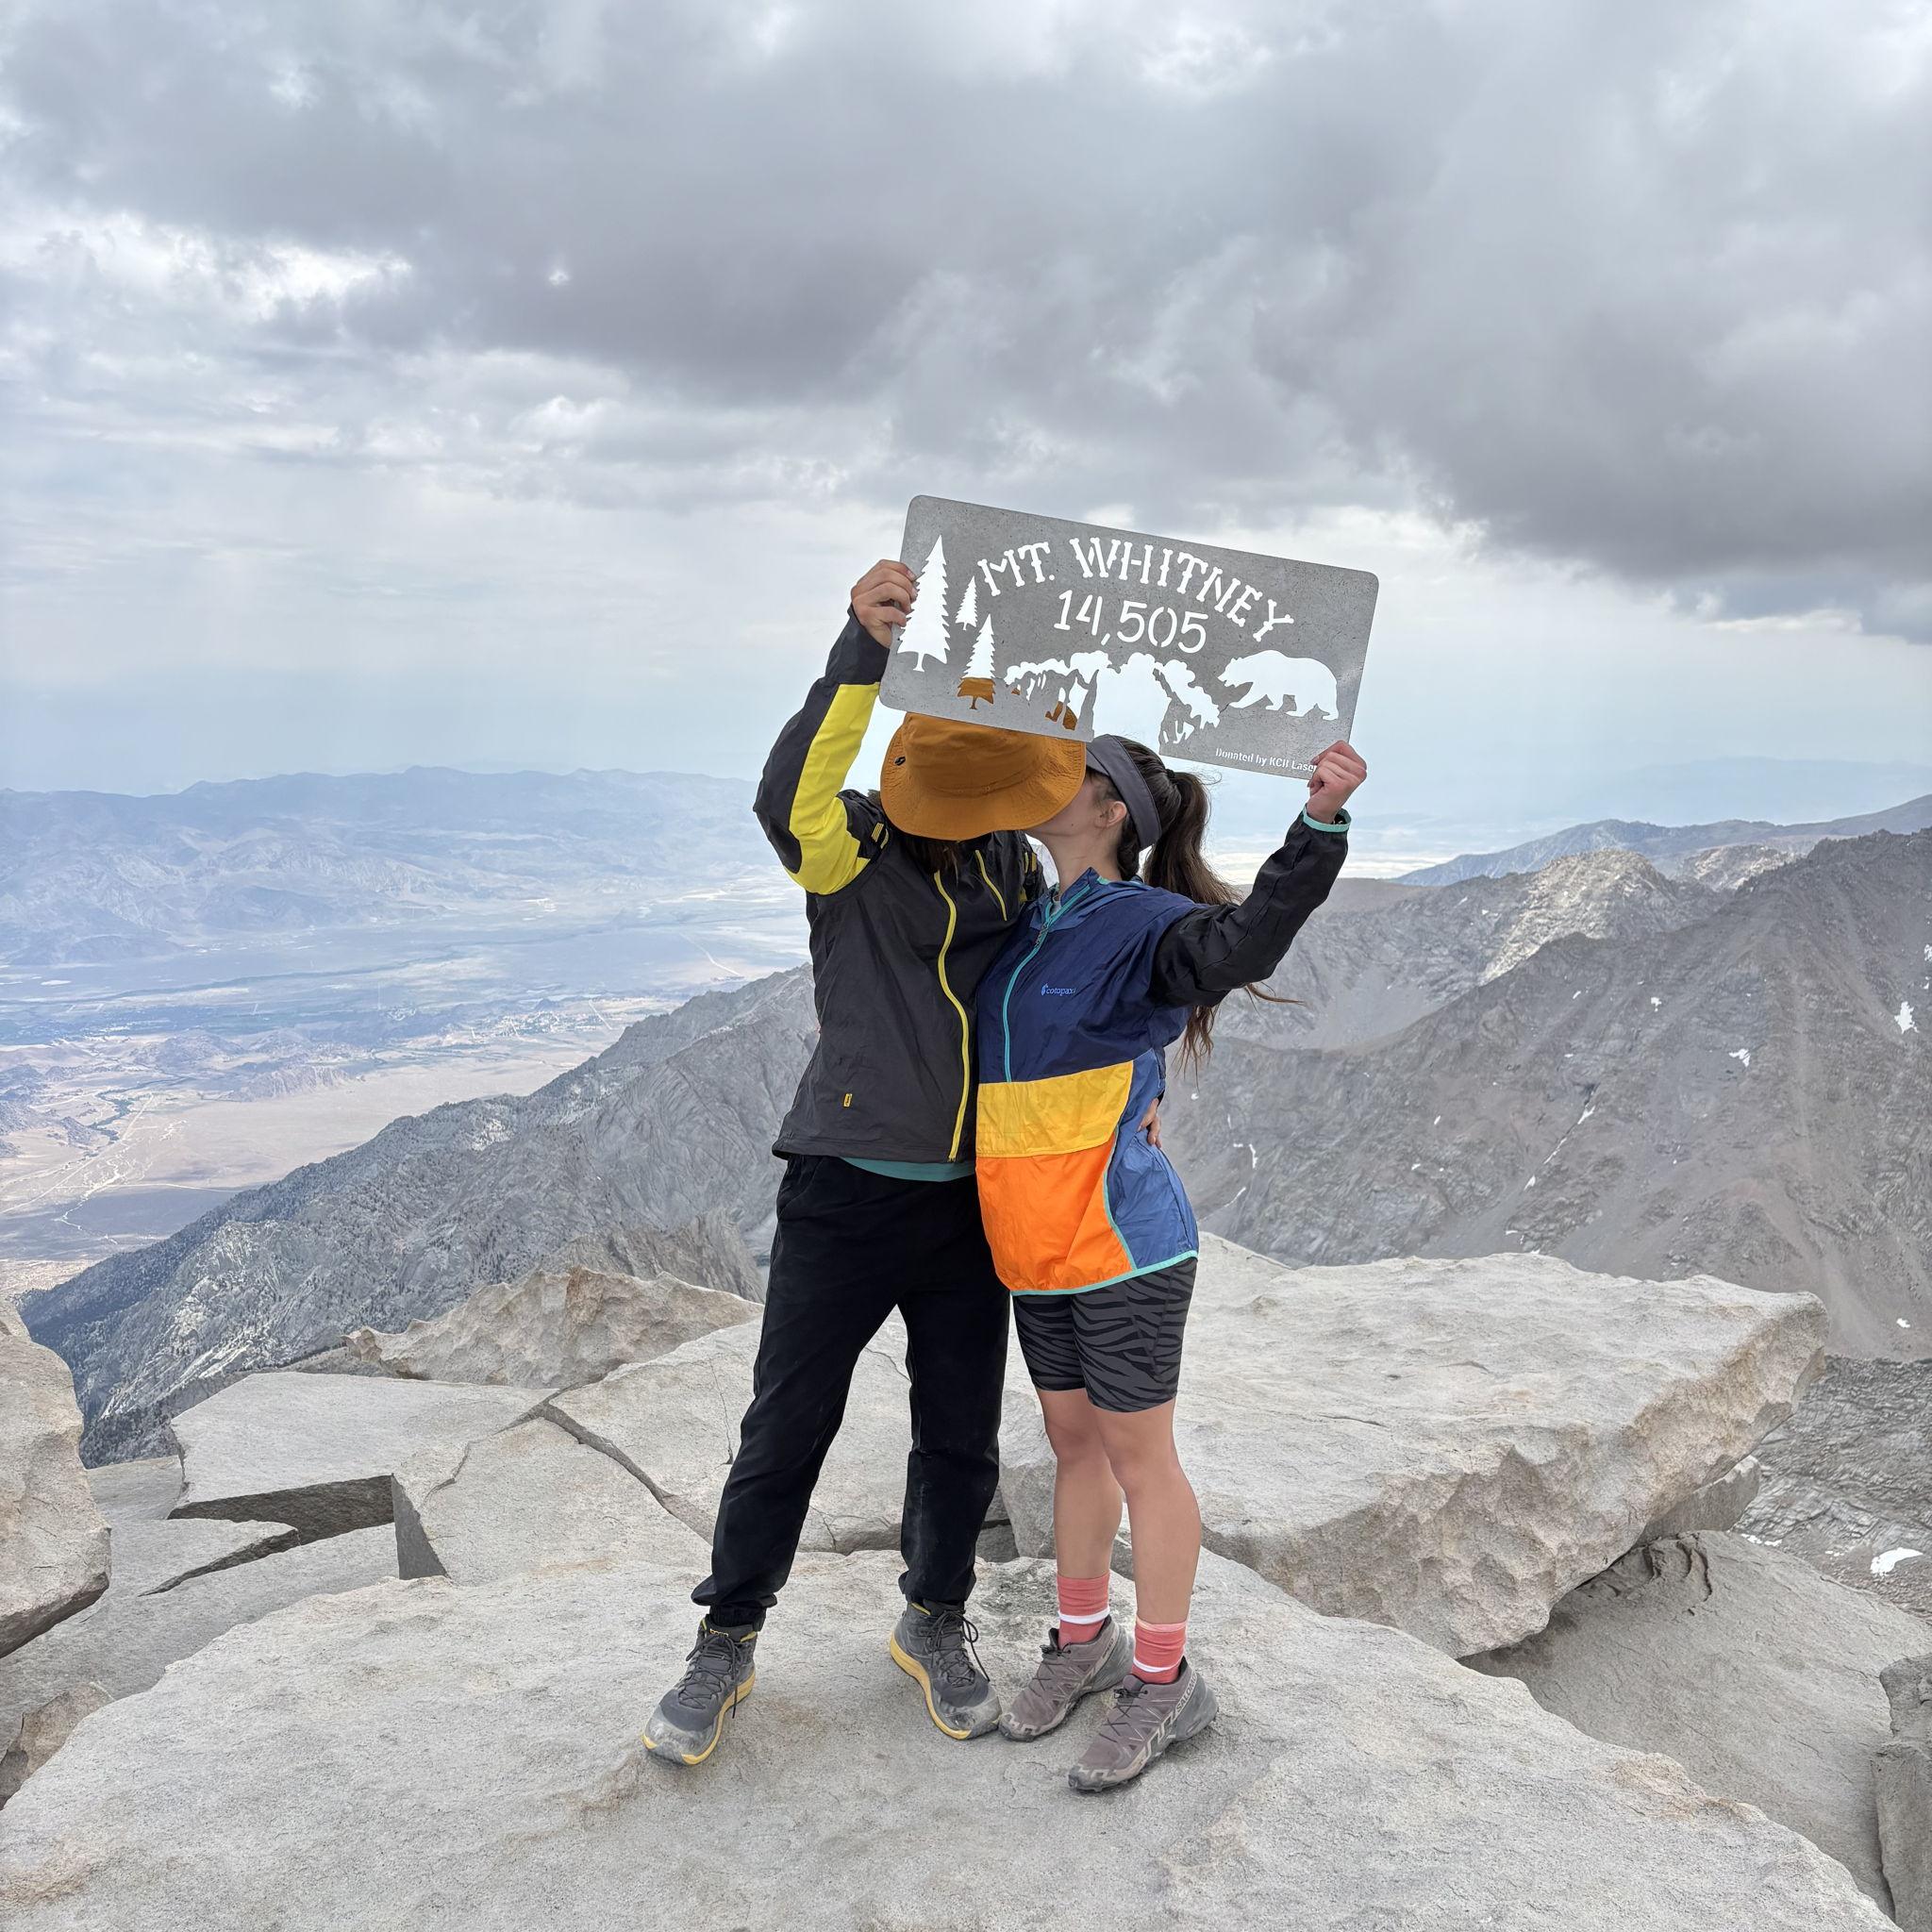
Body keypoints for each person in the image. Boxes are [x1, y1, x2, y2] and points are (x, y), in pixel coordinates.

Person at [642, 560, 1088, 1767]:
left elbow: (1072, 987)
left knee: (958, 1429)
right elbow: (787, 790)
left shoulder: (1014, 864)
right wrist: (861, 648)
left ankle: (933, 1617)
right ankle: (726, 1635)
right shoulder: (847, 849)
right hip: (843, 1185)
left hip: (970, 1203)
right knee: (787, 1421)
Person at [974, 730, 1366, 1791]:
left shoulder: (1143, 921)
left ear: (1107, 810)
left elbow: (1243, 944)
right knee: (1071, 1443)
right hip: (1037, 1244)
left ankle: (1163, 1679)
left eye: (1067, 774)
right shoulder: (1025, 920)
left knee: (1138, 1454)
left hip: (1122, 1244)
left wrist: (1317, 825)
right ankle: (1080, 1639)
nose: (1041, 783)